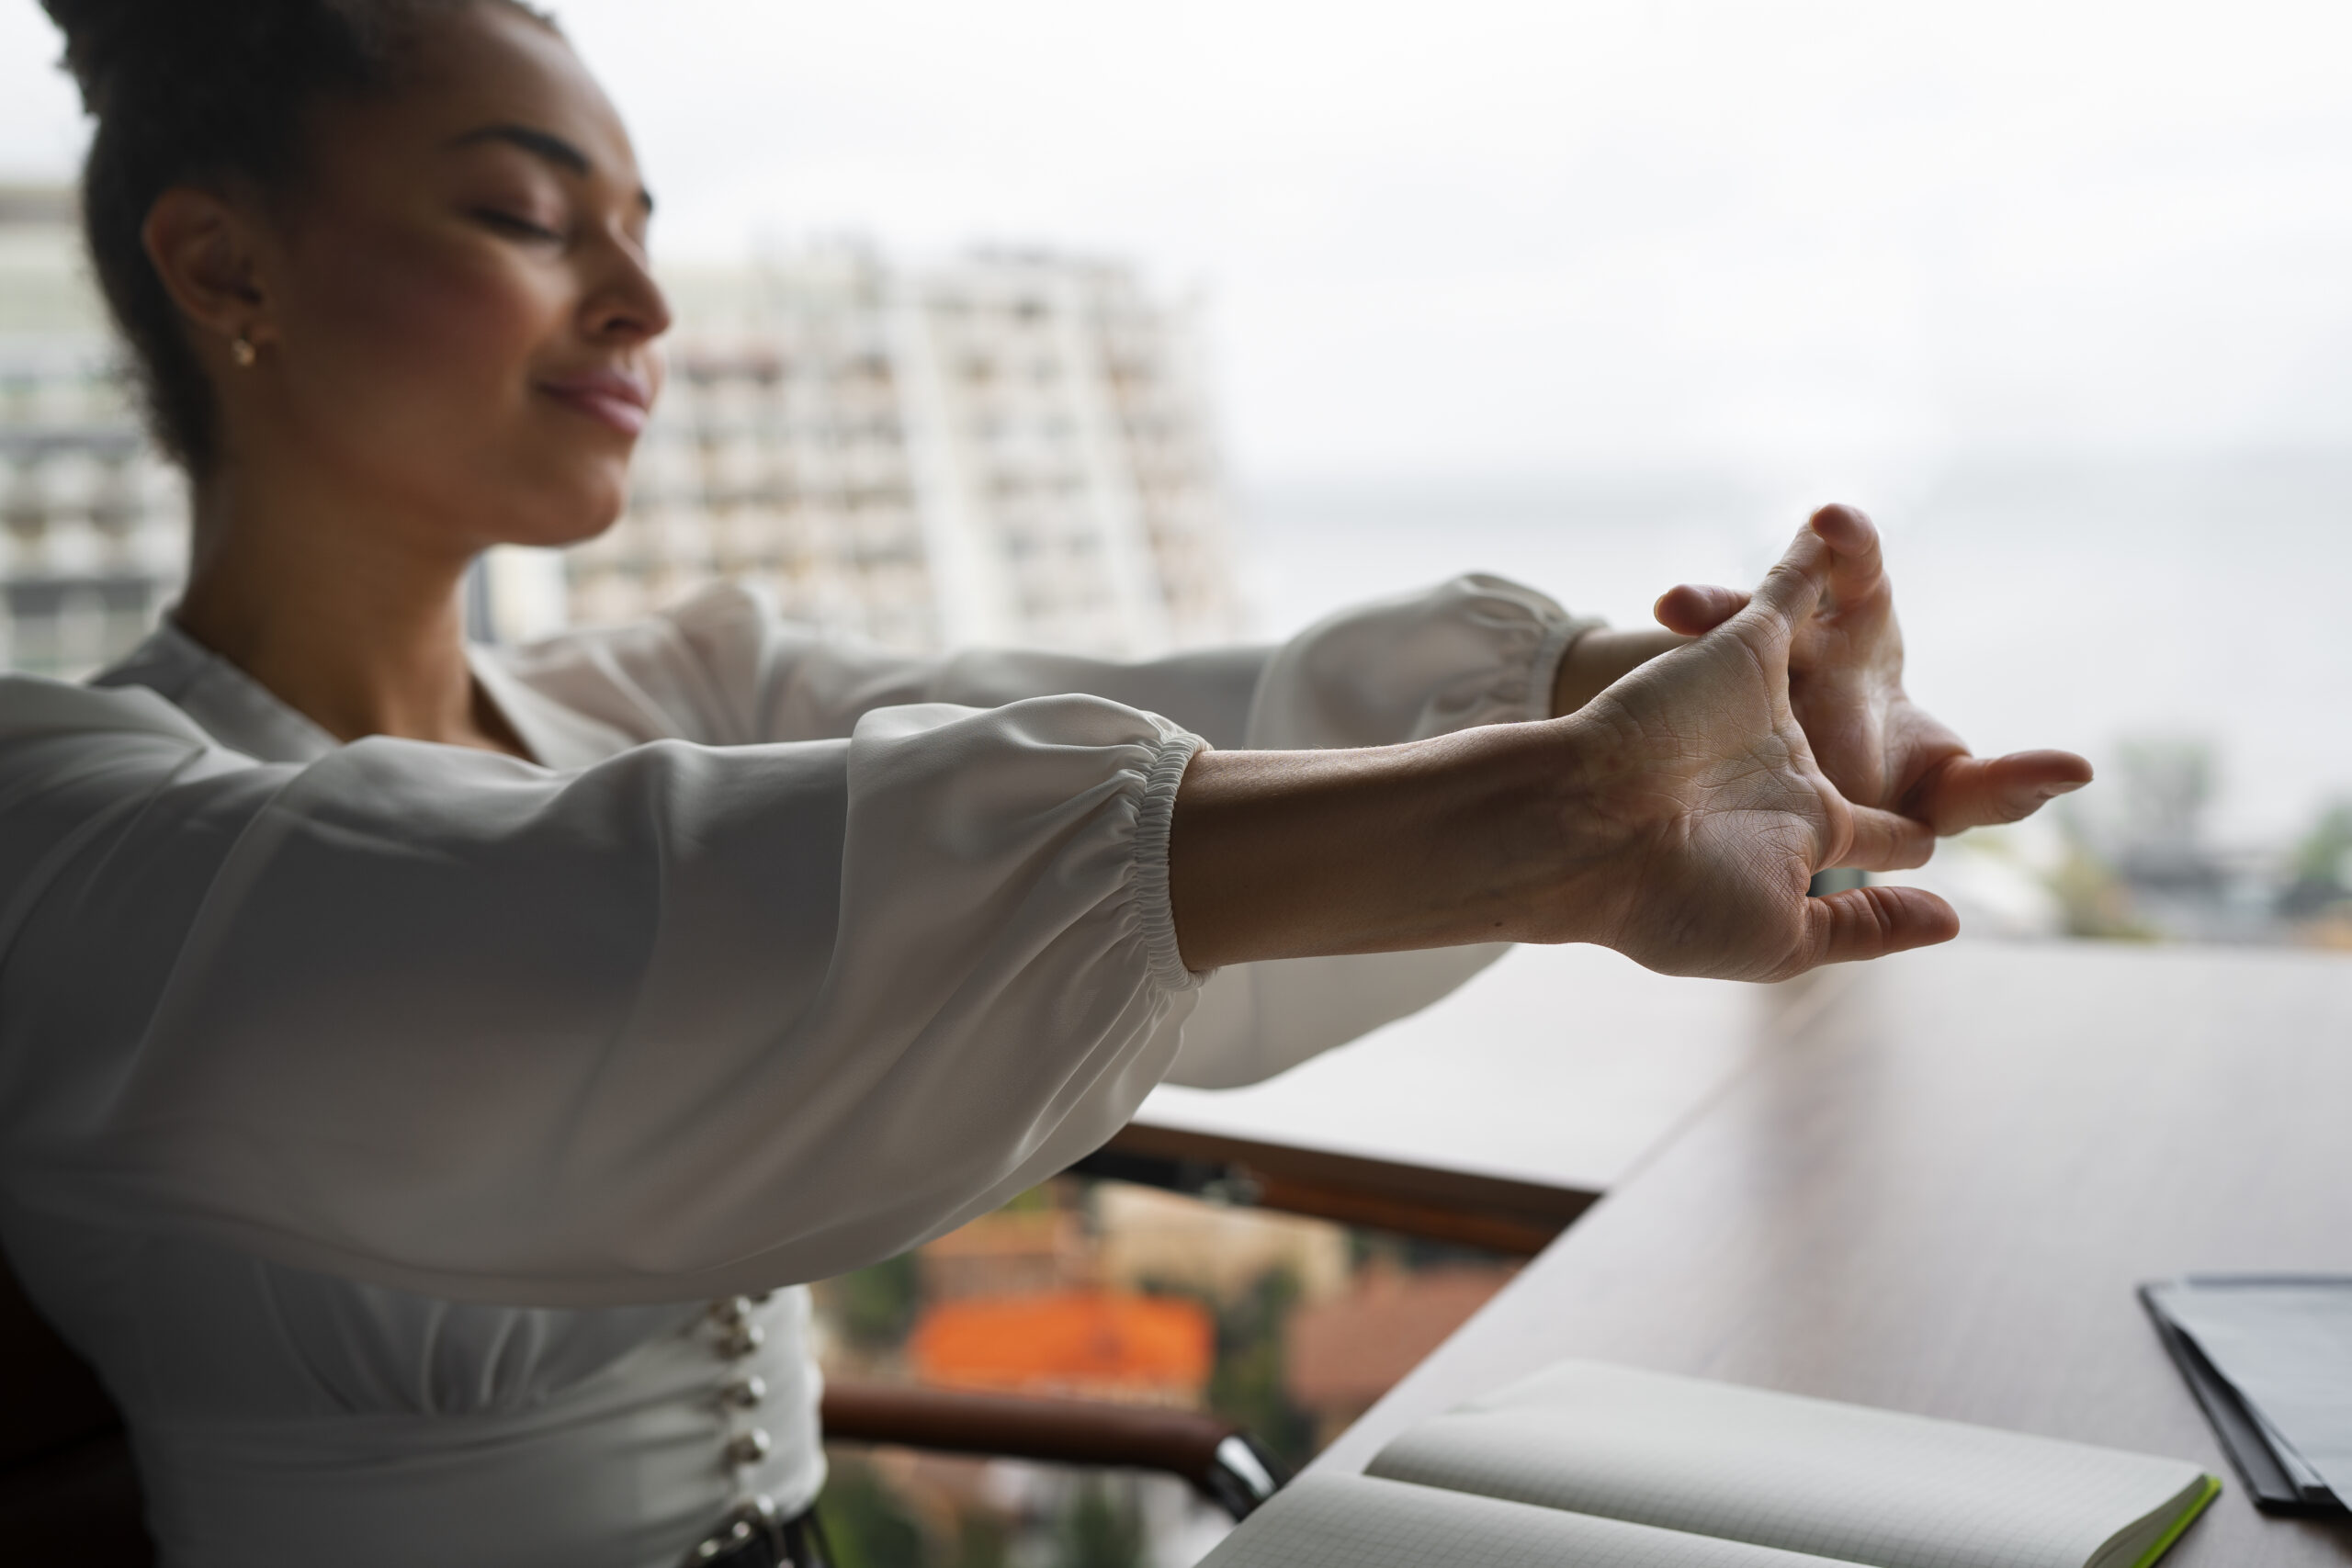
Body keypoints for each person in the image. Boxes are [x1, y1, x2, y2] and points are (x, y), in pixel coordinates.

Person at [0, 2, 2091, 1565]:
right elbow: (574, 941)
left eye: (642, 229)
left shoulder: (685, 685)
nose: (641, 300)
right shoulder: (62, 815)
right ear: (224, 264)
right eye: (526, 219)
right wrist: (1555, 808)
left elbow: (1187, 724)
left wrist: (1662, 693)